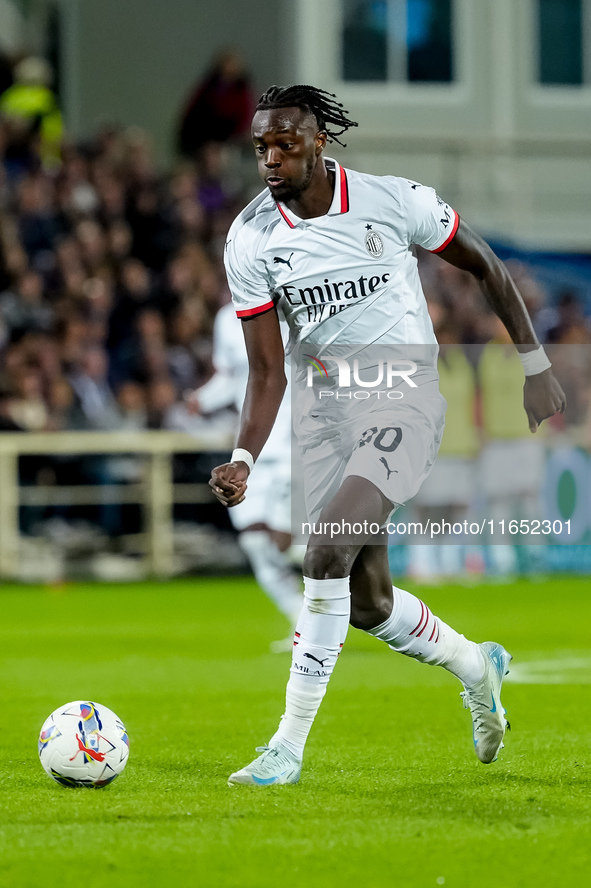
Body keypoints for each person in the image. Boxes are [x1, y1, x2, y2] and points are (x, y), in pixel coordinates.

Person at [209, 84, 566, 786]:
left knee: (324, 552)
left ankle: (285, 747)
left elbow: (486, 266)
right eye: (261, 147)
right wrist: (243, 457)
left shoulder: (391, 199)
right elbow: (265, 371)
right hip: (326, 415)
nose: (271, 158)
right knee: (367, 603)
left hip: (402, 400)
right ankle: (475, 664)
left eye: (285, 143)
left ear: (319, 142)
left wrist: (533, 364)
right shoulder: (250, 238)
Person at [190, 302, 302, 650]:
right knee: (255, 543)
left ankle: (343, 571)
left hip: (294, 449)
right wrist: (202, 399)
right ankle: (303, 624)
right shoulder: (226, 318)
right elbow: (230, 376)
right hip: (251, 453)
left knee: (282, 542)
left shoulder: (302, 308)